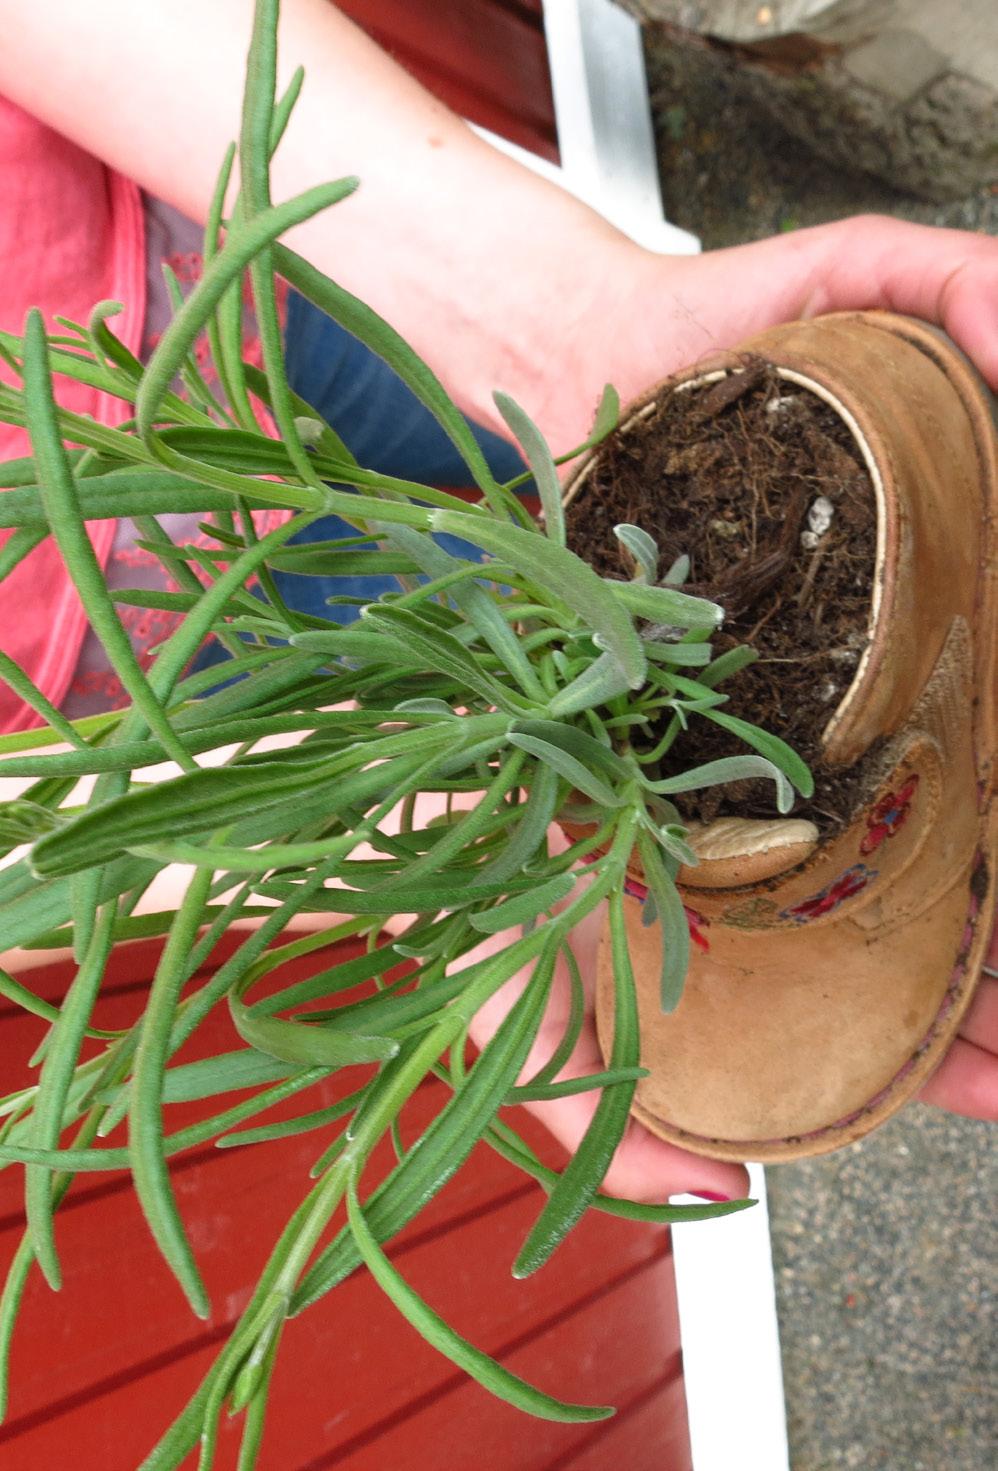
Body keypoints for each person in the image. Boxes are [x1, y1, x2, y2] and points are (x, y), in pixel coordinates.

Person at [0, 0, 995, 1208]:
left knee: (658, 468)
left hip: (206, 256)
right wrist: (425, 851)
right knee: (590, 767)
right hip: (146, 694)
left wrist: (548, 302)